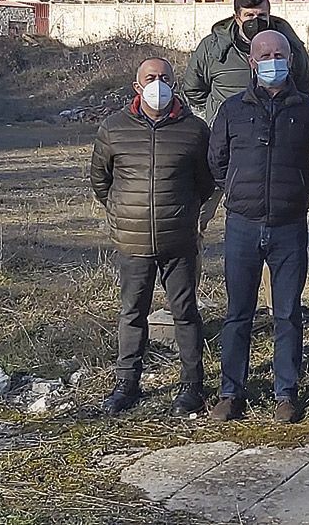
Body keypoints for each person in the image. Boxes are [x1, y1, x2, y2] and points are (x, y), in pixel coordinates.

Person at [89, 57, 215, 416]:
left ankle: (192, 386)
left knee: (186, 313)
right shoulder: (114, 129)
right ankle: (126, 384)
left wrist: (186, 214)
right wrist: (121, 213)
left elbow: (205, 182)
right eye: (150, 78)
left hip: (179, 241)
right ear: (137, 86)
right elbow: (101, 180)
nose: (157, 84)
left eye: (164, 78)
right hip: (132, 242)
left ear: (174, 85)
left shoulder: (194, 130)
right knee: (132, 313)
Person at [207, 30, 309, 424]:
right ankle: (229, 392)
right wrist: (238, 191)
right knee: (238, 312)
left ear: (290, 59)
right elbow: (217, 160)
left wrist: (299, 190)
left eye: (280, 53)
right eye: (264, 54)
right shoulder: (233, 109)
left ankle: (285, 393)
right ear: (252, 62)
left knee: (287, 313)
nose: (272, 60)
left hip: (290, 225)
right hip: (242, 223)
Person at [181, 0, 309, 121]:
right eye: (249, 15)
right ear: (237, 18)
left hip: (277, 127)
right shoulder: (212, 48)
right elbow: (193, 88)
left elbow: (304, 85)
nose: (255, 21)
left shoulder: (290, 45)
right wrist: (216, 113)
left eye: (262, 15)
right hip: (228, 130)